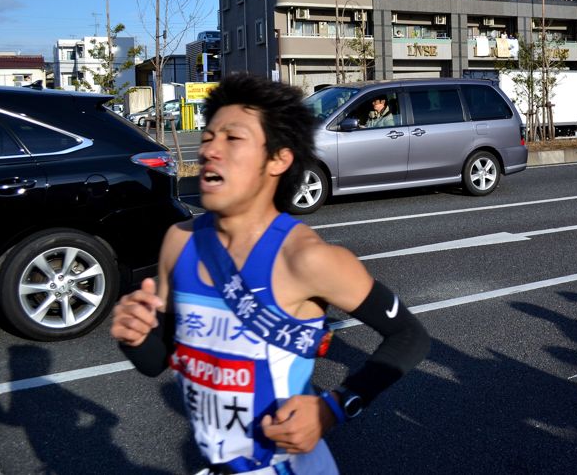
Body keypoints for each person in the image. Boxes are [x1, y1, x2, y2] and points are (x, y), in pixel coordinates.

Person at [110, 72, 430, 474]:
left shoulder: (306, 258)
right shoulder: (179, 242)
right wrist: (135, 338)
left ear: (278, 159)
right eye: (208, 137)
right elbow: (160, 360)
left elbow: (409, 336)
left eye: (233, 138)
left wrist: (334, 408)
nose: (211, 150)